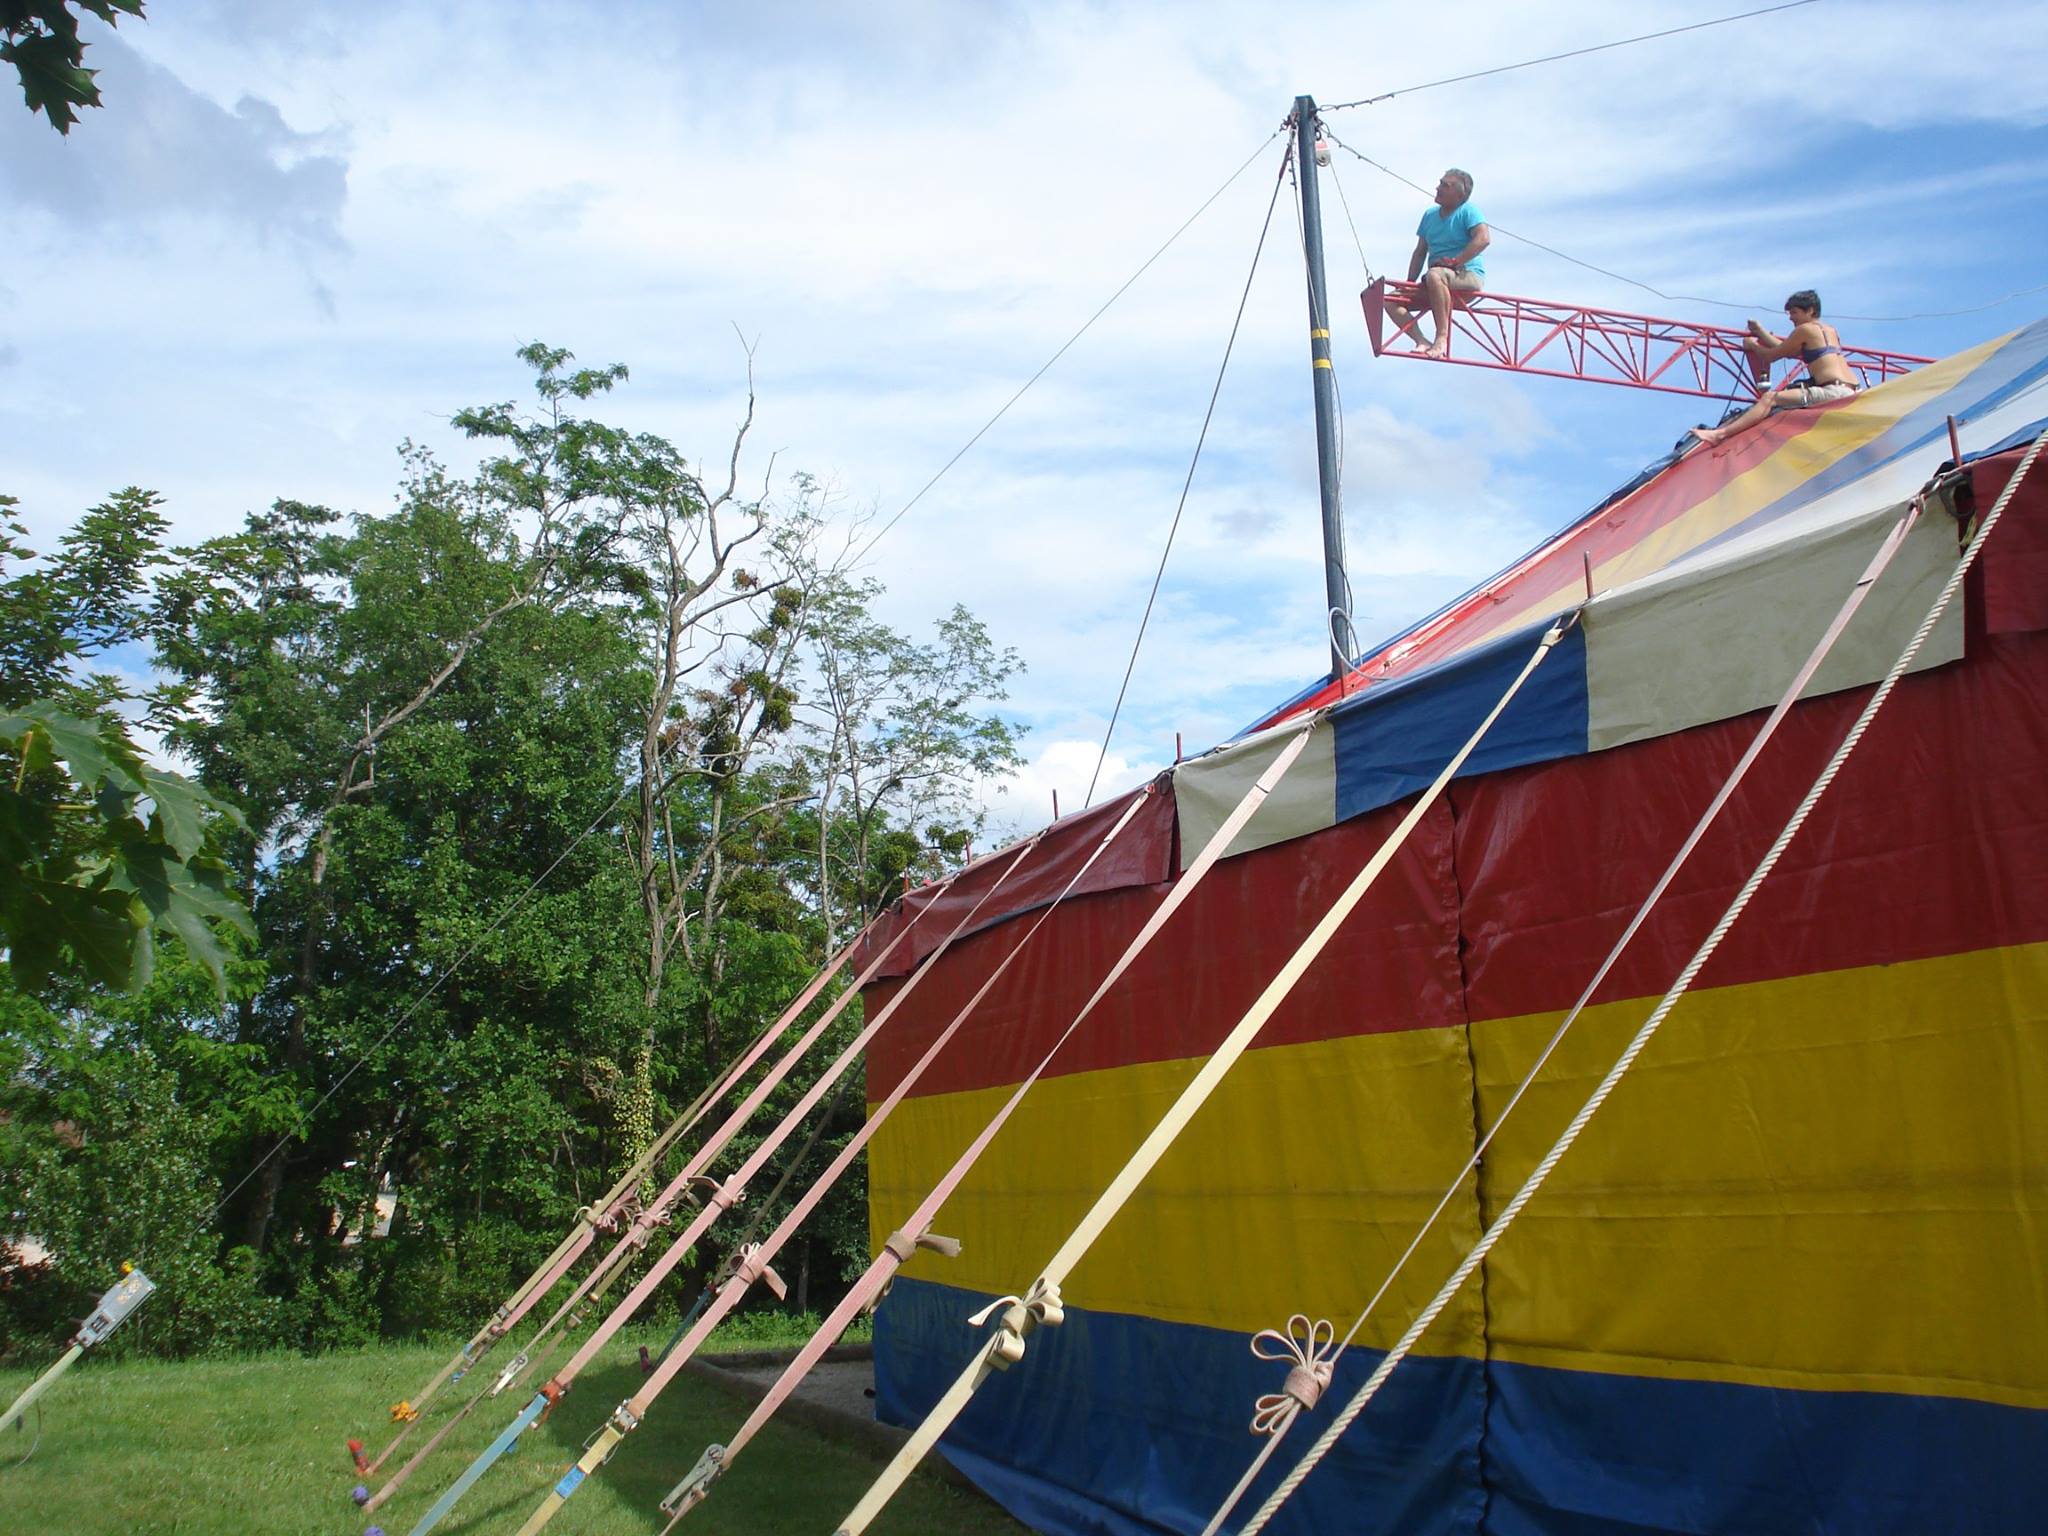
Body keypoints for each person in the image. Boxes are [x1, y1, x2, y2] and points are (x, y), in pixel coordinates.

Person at [1689, 290, 1857, 448]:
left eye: (1794, 312)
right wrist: (1760, 332)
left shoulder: (1804, 329)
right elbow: (1787, 350)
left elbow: (1771, 356)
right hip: (1851, 390)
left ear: (1810, 311)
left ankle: (1719, 435)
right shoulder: (1830, 331)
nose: (1791, 318)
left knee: (1770, 398)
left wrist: (1753, 346)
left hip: (1832, 391)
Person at [1384, 169, 1490, 360]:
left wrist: (1456, 261)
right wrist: (1409, 283)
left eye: (1445, 185)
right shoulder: (1430, 215)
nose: (1438, 188)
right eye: (1440, 183)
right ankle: (1421, 340)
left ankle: (1441, 338)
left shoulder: (1468, 211)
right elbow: (1420, 252)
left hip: (1466, 275)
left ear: (1459, 195)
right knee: (1391, 300)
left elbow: (1483, 239)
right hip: (1436, 283)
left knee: (1435, 275)